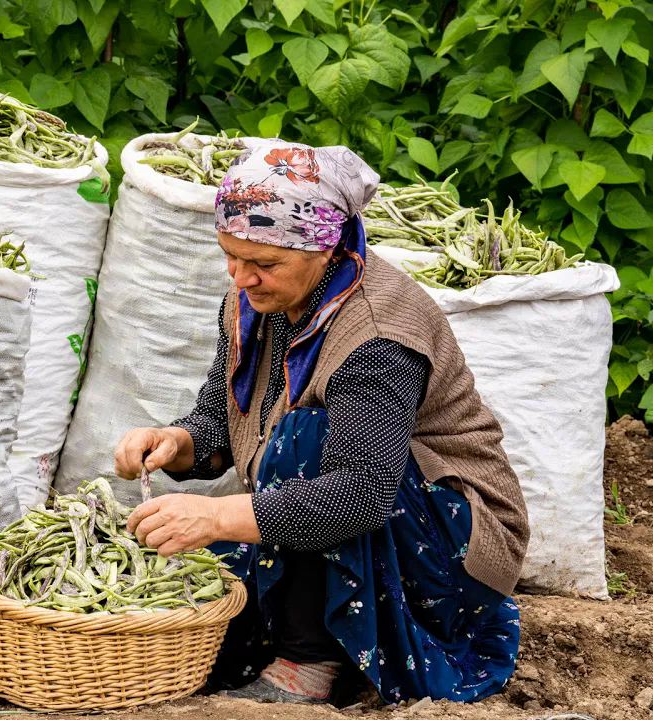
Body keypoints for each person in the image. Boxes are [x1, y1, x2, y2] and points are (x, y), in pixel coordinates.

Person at [114, 143, 530, 705]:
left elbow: (362, 492)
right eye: (231, 256)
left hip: (447, 541)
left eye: (264, 264)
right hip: (361, 512)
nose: (242, 278)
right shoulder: (256, 303)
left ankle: (308, 658)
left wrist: (215, 514)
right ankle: (310, 631)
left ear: (324, 246)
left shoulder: (378, 335)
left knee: (303, 438)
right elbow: (224, 417)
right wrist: (178, 443)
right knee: (208, 598)